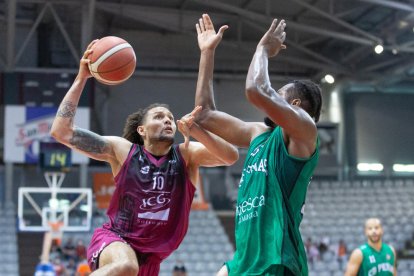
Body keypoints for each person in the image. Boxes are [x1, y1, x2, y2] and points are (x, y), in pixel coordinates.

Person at [50, 40, 239, 276]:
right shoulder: (124, 151)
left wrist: (198, 131)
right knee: (126, 266)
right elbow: (61, 132)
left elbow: (230, 156)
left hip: (151, 260)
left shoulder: (186, 155)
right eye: (159, 117)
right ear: (142, 130)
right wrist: (81, 79)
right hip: (115, 240)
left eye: (170, 117)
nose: (168, 120)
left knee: (131, 267)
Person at [194, 14, 322, 275]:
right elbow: (204, 114)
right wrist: (207, 53)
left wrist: (262, 48)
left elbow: (256, 89)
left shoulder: (304, 132)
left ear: (295, 106)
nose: (273, 94)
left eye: (279, 93)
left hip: (276, 259)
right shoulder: (258, 133)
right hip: (244, 261)